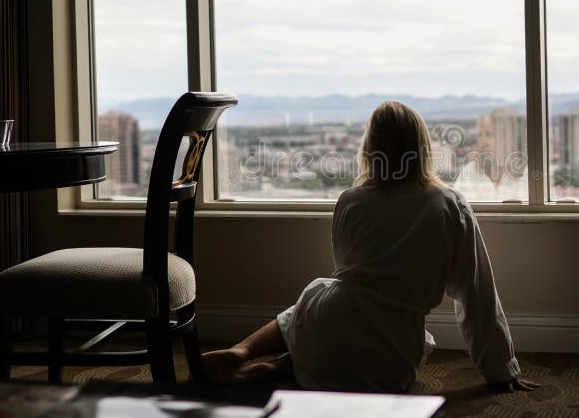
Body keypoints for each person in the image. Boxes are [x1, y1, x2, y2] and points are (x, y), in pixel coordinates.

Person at [202, 101, 539, 394]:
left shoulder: (350, 201)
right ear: (423, 148)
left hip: (326, 329)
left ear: (368, 149)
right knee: (357, 321)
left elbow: (348, 269)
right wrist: (500, 370)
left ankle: (247, 351)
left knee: (324, 292)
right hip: (389, 361)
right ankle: (277, 366)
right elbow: (476, 294)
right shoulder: (449, 205)